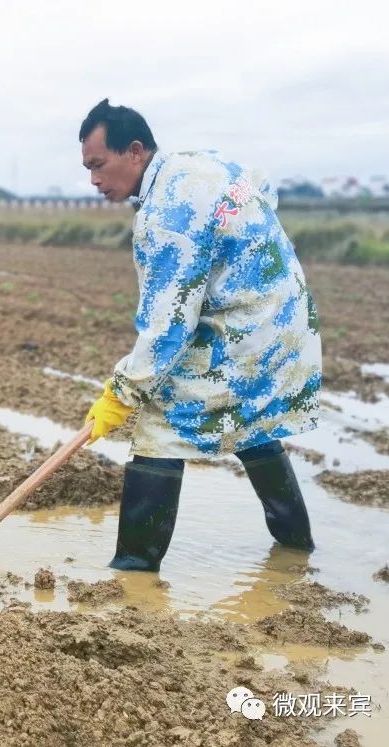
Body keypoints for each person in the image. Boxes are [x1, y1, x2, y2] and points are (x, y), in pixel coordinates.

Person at [78, 98, 321, 572]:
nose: (93, 181)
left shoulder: (168, 211)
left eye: (98, 165)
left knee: (159, 427)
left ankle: (132, 573)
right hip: (284, 316)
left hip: (244, 327)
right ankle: (296, 548)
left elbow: (168, 324)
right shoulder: (198, 164)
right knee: (250, 418)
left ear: (134, 152)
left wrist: (123, 392)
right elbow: (262, 187)